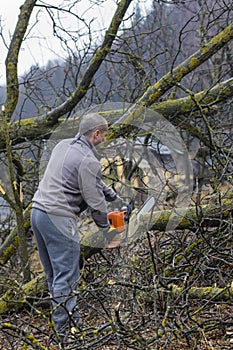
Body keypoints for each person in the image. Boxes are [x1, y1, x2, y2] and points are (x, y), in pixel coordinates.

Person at [30, 113, 123, 346]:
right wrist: (108, 233)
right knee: (66, 279)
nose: (105, 139)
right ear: (96, 133)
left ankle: (58, 331)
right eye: (104, 134)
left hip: (38, 214)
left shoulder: (63, 146)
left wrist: (112, 195)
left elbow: (88, 179)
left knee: (54, 277)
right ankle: (68, 337)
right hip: (59, 219)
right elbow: (95, 205)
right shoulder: (89, 160)